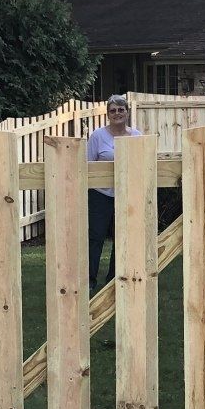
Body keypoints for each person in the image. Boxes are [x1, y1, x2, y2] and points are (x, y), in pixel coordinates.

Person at [84, 95, 141, 288]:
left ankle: (114, 280)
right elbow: (88, 166)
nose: (117, 113)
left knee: (122, 238)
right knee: (95, 237)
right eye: (113, 110)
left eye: (121, 109)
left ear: (127, 112)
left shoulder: (136, 136)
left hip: (127, 195)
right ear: (108, 114)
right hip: (100, 195)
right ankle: (89, 281)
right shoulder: (98, 136)